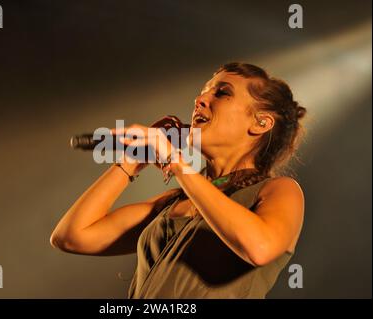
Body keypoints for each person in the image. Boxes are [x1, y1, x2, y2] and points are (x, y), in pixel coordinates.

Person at [50, 62, 307, 298]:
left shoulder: (279, 190)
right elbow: (71, 236)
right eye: (204, 91)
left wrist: (175, 161)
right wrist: (133, 158)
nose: (200, 99)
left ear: (261, 122)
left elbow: (260, 247)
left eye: (221, 93)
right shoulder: (173, 202)